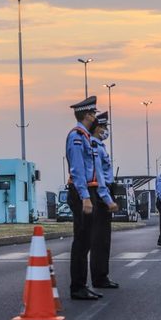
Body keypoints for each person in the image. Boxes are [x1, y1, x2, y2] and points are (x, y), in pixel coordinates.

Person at [65, 96, 115, 300]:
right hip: (81, 193)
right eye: (94, 114)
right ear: (87, 115)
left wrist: (103, 197)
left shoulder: (85, 137)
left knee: (86, 241)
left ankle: (82, 285)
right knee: (82, 241)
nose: (95, 117)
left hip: (91, 192)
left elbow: (95, 173)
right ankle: (77, 287)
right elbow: (77, 170)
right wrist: (85, 197)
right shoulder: (76, 137)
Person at [90, 111, 120, 289]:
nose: (106, 130)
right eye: (104, 127)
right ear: (97, 127)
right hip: (102, 196)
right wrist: (108, 199)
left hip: (104, 193)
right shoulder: (95, 146)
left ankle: (102, 275)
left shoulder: (100, 146)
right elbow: (99, 176)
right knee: (100, 239)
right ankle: (99, 277)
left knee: (104, 239)